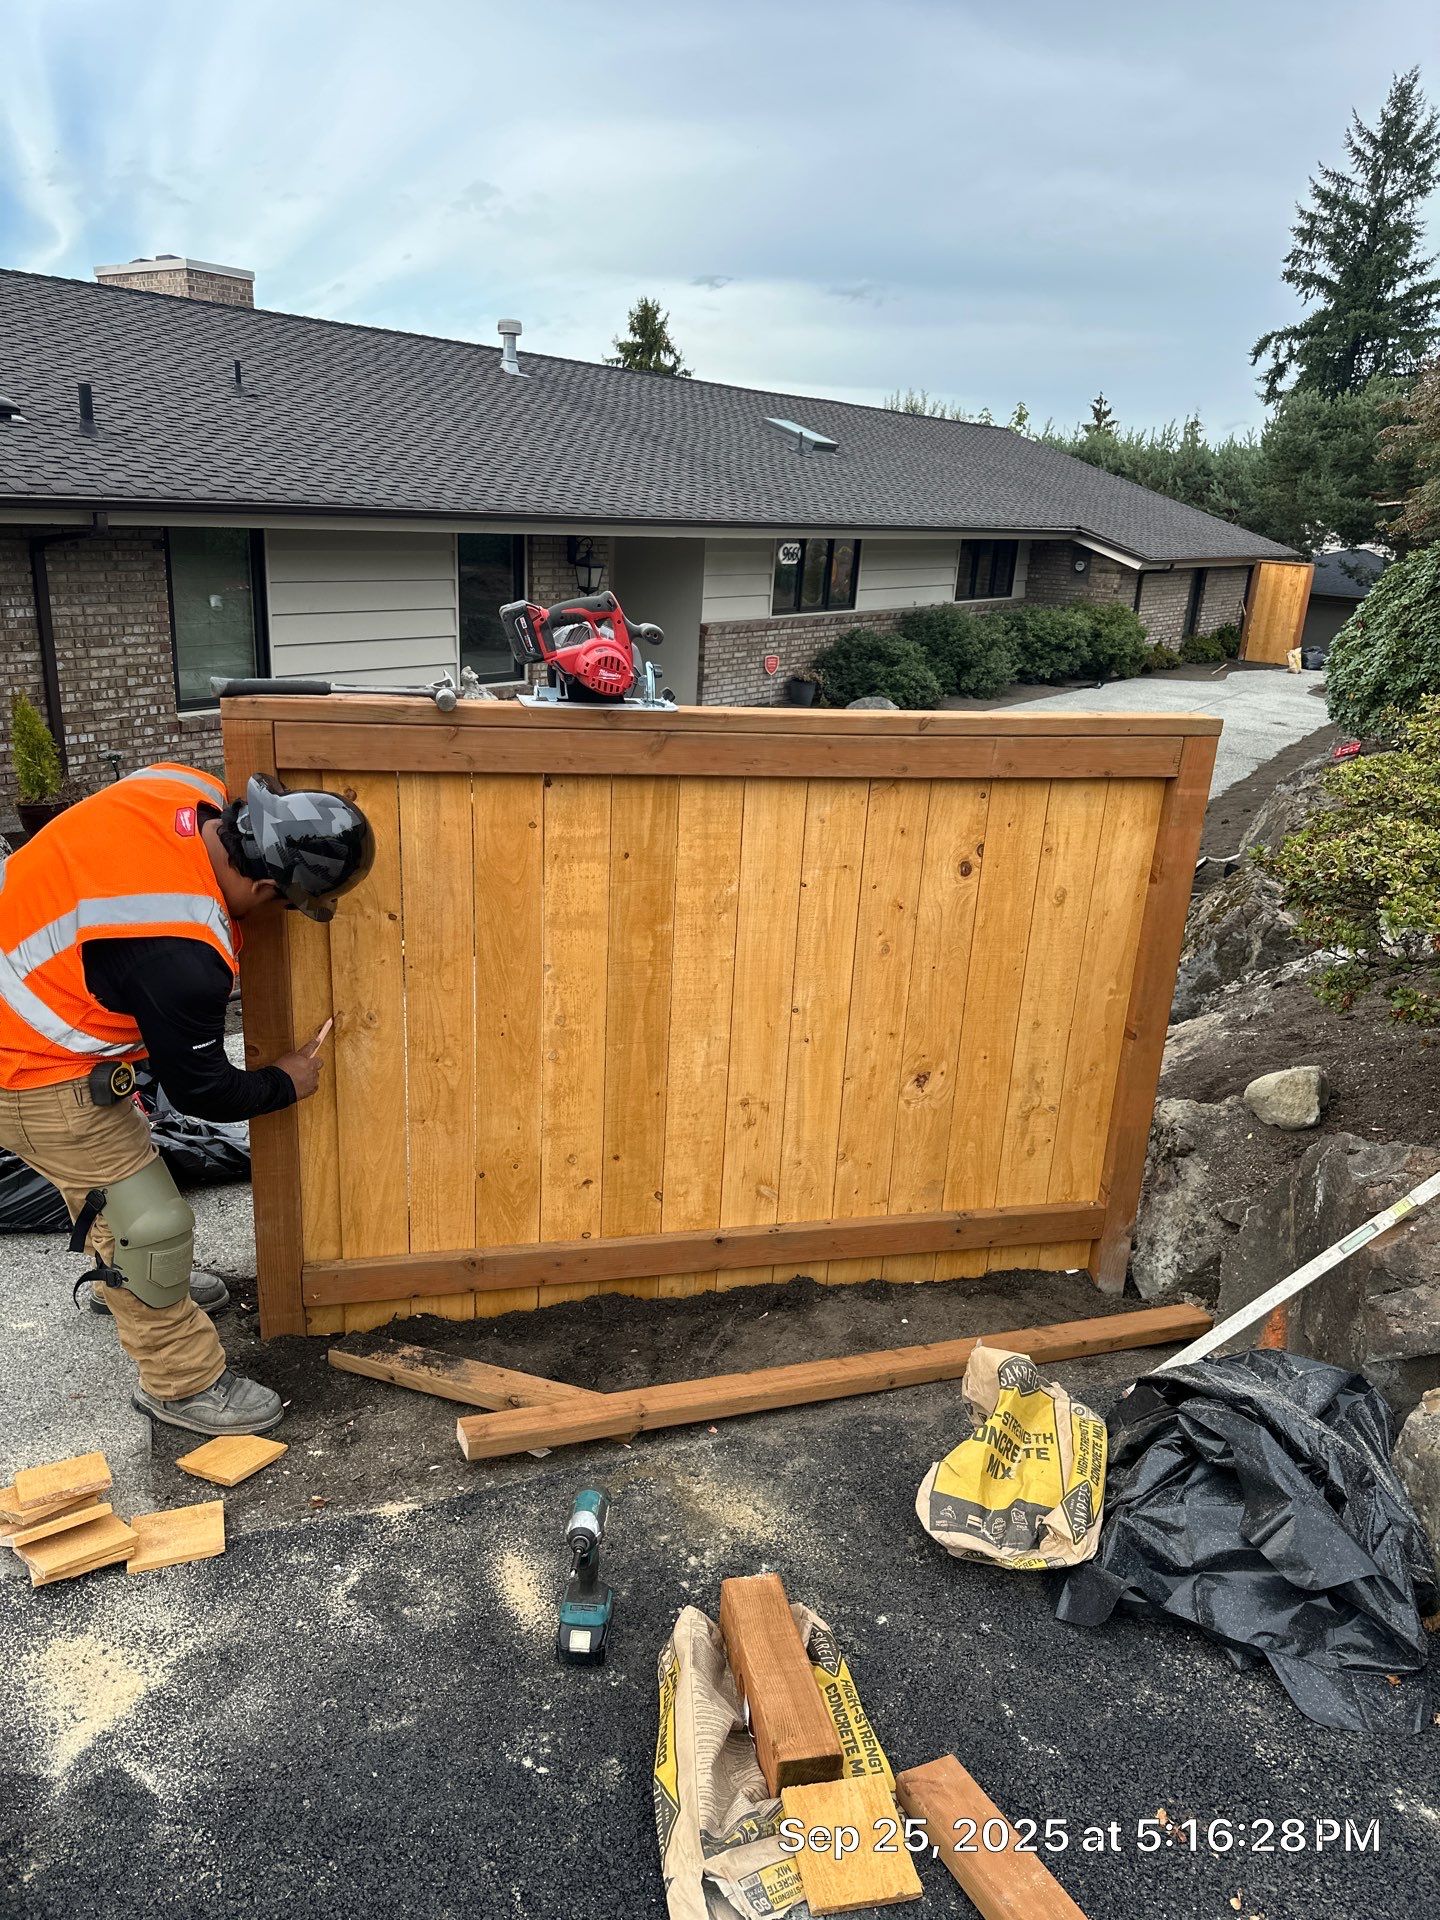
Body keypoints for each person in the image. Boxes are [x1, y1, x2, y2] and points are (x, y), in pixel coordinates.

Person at [0, 763, 373, 1436]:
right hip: (28, 1066)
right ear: (263, 884)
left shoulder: (181, 787)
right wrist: (285, 1081)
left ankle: (134, 1280)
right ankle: (181, 1384)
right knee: (150, 1227)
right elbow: (202, 1090)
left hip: (24, 983)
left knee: (118, 1200)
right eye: (284, 903)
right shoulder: (181, 954)